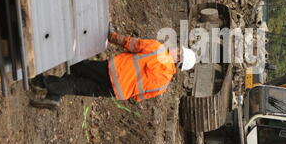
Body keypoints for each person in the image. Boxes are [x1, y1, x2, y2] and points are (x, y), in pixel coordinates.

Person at [29, 28, 197, 110]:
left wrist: (113, 36)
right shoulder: (163, 85)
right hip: (116, 91)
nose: (176, 48)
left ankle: (42, 83)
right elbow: (139, 97)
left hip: (113, 70)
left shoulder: (159, 50)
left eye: (179, 50)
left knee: (78, 66)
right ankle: (53, 95)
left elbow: (132, 44)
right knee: (78, 86)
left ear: (179, 57)